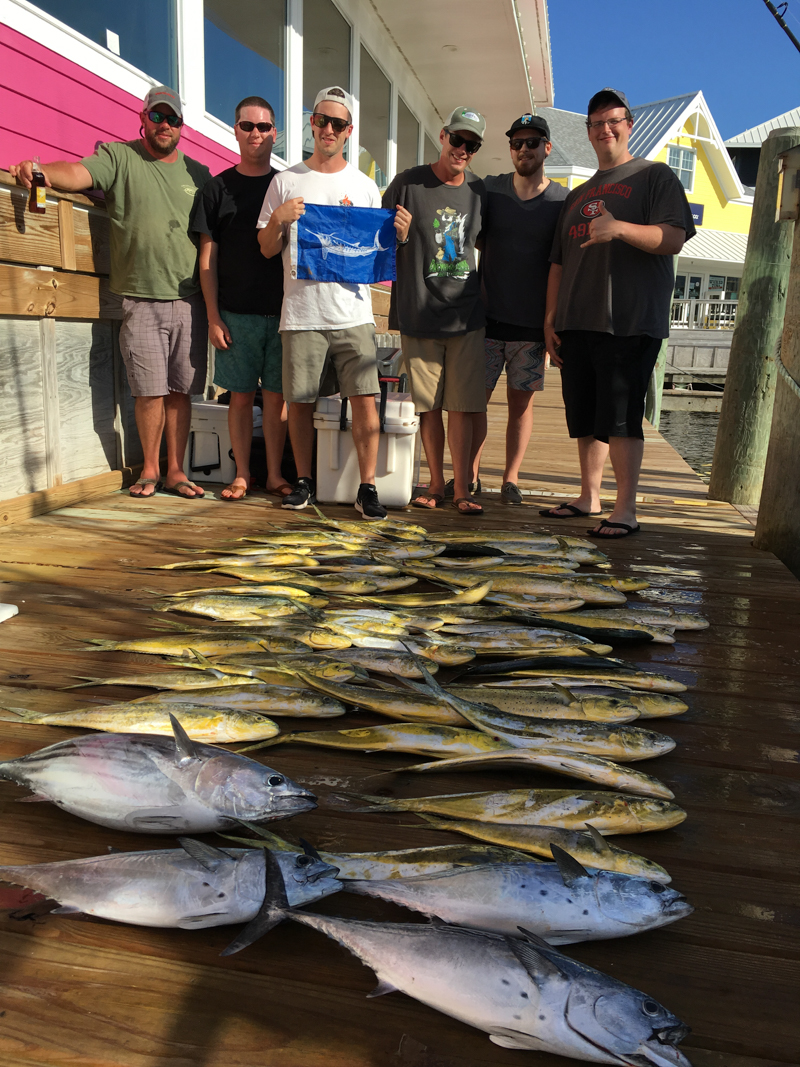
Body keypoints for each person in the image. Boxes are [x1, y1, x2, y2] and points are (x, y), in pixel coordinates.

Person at [10, 86, 212, 499]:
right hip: (139, 297)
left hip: (190, 299)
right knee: (148, 390)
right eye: (157, 117)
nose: (165, 125)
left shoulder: (200, 174)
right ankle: (150, 470)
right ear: (143, 119)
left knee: (181, 391)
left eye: (173, 119)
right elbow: (77, 174)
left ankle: (177, 470)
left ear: (182, 127)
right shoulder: (119, 157)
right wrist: (41, 170)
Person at [542, 88, 695, 537]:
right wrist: (550, 318)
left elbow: (673, 238)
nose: (605, 129)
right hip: (576, 321)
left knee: (623, 416)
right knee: (584, 414)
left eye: (614, 121)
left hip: (628, 320)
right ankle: (589, 496)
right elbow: (558, 262)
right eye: (596, 123)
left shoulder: (655, 176)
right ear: (588, 132)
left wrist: (619, 228)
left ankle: (625, 508)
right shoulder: (577, 195)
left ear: (629, 125)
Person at [257, 86, 386, 519]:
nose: (328, 129)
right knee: (301, 401)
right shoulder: (284, 181)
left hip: (353, 313)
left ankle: (367, 487)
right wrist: (278, 219)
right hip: (301, 314)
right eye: (321, 120)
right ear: (312, 123)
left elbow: (378, 252)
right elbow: (265, 249)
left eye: (338, 124)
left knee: (365, 399)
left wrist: (398, 233)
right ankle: (304, 481)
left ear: (349, 131)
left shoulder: (366, 187)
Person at [383, 107, 488, 516]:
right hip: (419, 312)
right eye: (458, 140)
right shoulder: (407, 183)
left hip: (466, 316)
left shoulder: (480, 192)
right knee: (428, 407)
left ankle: (463, 487)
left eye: (472, 145)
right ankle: (435, 482)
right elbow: (375, 238)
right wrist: (401, 236)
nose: (463, 150)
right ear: (443, 136)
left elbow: (495, 247)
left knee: (461, 406)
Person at [193, 95, 288, 501]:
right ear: (235, 129)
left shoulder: (287, 184)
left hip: (285, 313)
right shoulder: (216, 189)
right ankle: (243, 474)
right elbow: (207, 259)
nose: (255, 134)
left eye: (263, 127)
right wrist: (213, 317)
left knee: (278, 401)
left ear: (275, 134)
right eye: (247, 126)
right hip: (236, 314)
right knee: (241, 398)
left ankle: (276, 476)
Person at [471, 113, 567, 505]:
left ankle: (510, 479)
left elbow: (563, 264)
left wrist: (552, 323)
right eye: (516, 143)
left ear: (546, 147)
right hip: (485, 320)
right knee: (472, 402)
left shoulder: (563, 200)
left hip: (531, 328)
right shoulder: (489, 190)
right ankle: (469, 475)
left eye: (532, 142)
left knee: (520, 405)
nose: (523, 149)